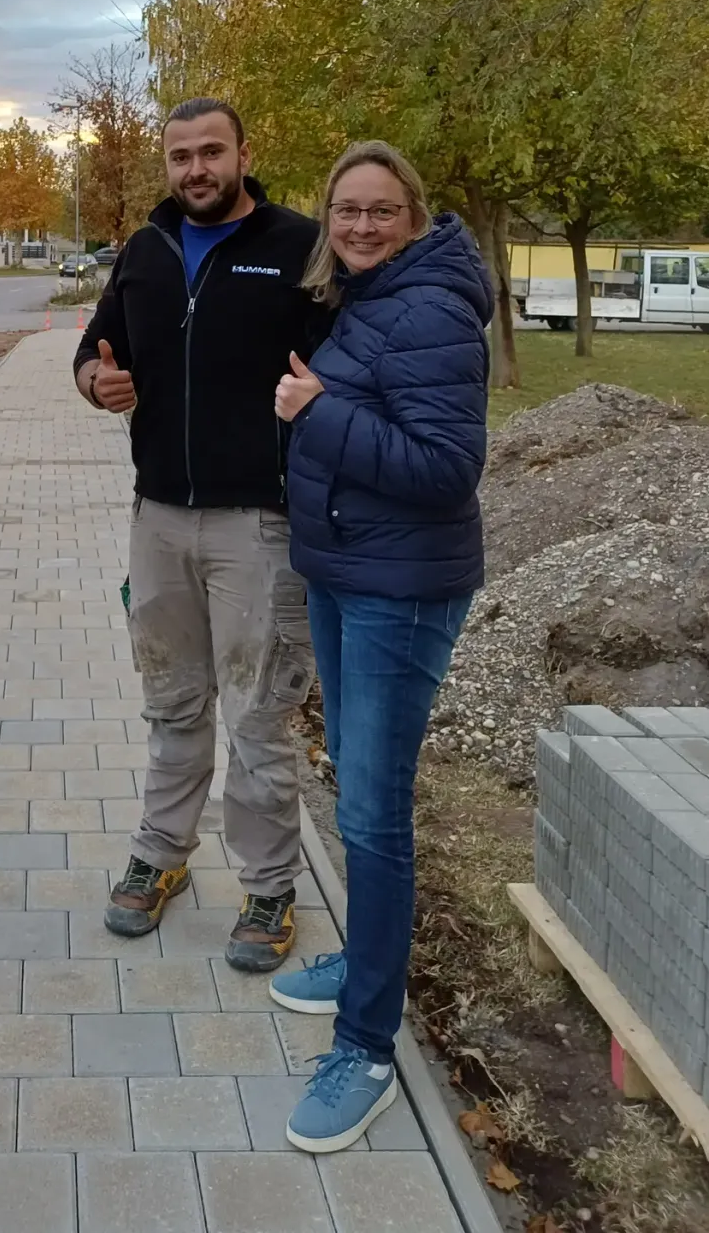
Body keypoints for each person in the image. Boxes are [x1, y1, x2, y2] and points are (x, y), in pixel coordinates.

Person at [269, 139, 492, 1152]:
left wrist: (317, 418)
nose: (359, 227)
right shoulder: (371, 298)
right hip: (350, 575)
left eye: (380, 211)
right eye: (345, 211)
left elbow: (446, 467)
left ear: (414, 215)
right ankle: (367, 959)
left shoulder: (435, 312)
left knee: (372, 811)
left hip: (398, 596)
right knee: (356, 795)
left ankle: (367, 1042)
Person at [74, 97, 327, 971]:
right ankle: (161, 857)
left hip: (258, 523)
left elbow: (339, 363)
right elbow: (98, 347)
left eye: (211, 152)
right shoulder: (143, 251)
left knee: (258, 713)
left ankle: (268, 888)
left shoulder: (297, 246)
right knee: (172, 699)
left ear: (242, 154)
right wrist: (92, 383)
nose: (196, 170)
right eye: (180, 156)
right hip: (158, 518)